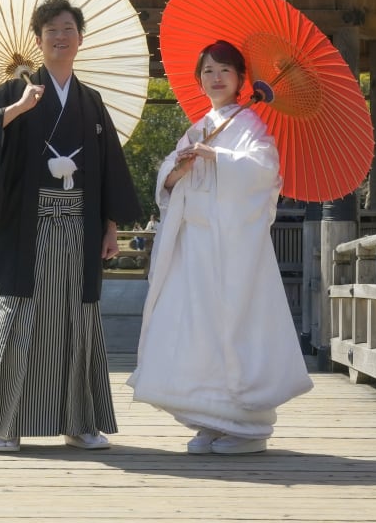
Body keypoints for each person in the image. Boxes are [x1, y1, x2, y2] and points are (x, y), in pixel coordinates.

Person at [0, 0, 142, 453]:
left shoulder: (91, 103)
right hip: (27, 227)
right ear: (38, 42)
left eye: (67, 29)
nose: (60, 37)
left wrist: (110, 228)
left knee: (75, 321)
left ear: (81, 38)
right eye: (51, 31)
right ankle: (7, 422)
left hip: (79, 226)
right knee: (20, 318)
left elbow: (108, 168)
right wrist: (17, 109)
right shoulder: (17, 89)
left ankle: (78, 423)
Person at [127, 39, 312, 455]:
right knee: (194, 328)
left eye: (224, 70)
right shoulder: (198, 125)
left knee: (232, 325)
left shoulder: (252, 127)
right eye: (208, 70)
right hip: (195, 247)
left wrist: (220, 159)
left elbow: (263, 173)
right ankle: (208, 418)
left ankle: (246, 427)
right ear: (199, 78)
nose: (215, 77)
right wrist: (179, 170)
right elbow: (168, 183)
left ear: (241, 79)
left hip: (232, 249)